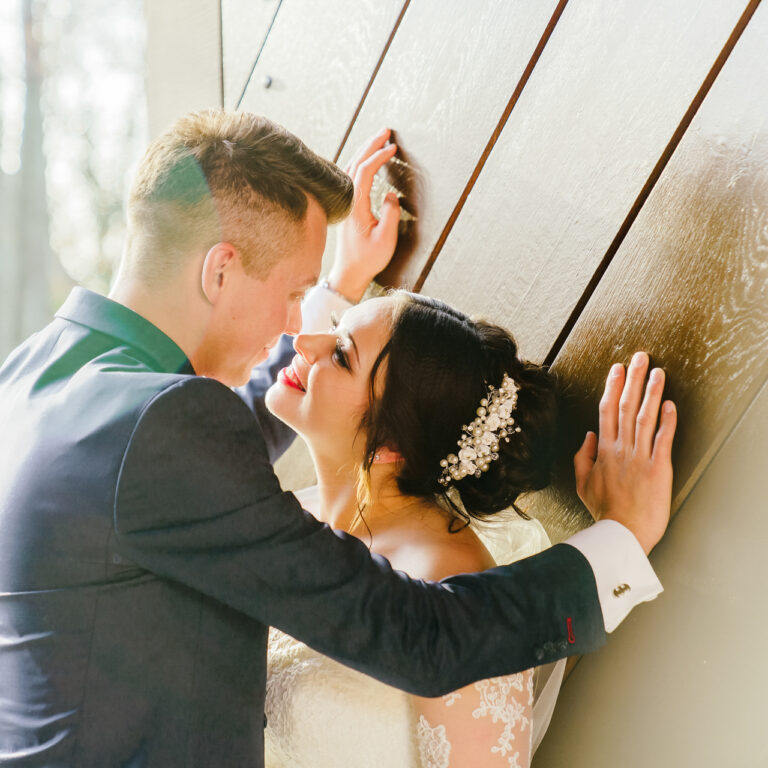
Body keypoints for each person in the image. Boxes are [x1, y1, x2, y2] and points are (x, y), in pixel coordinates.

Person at [0, 111, 675, 767]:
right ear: (220, 271)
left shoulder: (30, 382)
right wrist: (621, 541)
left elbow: (192, 470)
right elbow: (423, 637)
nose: (299, 324)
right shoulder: (168, 430)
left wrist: (339, 288)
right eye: (294, 292)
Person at [263, 290, 569, 768]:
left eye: (341, 355)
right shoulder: (287, 517)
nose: (303, 341)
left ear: (391, 442)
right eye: (337, 325)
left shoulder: (455, 591)